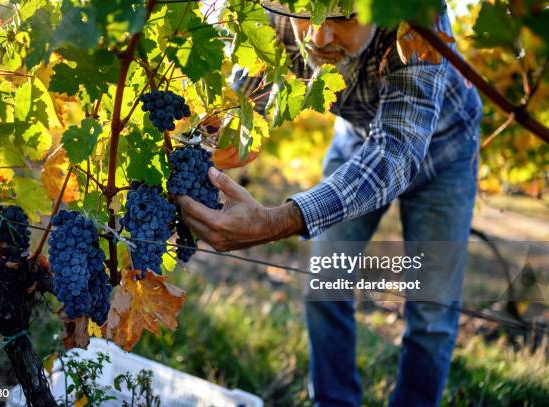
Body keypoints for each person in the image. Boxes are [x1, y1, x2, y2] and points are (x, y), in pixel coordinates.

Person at [176, 1, 483, 406]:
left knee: (432, 313)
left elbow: (396, 153)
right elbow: (247, 94)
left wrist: (279, 220)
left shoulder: (416, 17)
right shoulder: (281, 14)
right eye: (307, 16)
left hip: (445, 155)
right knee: (327, 285)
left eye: (342, 19)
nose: (317, 37)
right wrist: (207, 140)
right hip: (357, 141)